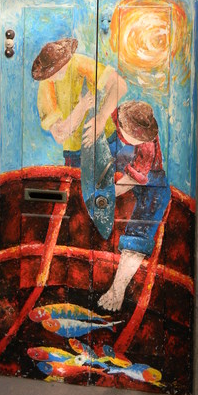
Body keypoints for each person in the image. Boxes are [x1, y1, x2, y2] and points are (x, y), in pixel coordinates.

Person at [95, 100, 171, 312]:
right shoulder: (116, 116)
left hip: (151, 182)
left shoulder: (147, 147)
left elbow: (133, 179)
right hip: (122, 165)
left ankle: (117, 291)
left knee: (142, 226)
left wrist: (108, 194)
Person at [32, 37, 126, 167]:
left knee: (120, 177)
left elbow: (119, 84)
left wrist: (102, 118)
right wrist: (82, 107)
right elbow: (59, 135)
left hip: (107, 139)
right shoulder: (46, 83)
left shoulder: (78, 63)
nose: (52, 75)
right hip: (75, 152)